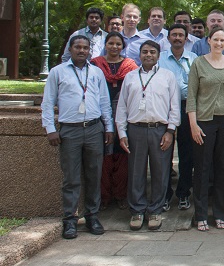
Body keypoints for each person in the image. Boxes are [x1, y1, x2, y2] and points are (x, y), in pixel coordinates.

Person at [42, 35, 114, 239]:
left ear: (90, 50)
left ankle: (92, 215)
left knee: (94, 174)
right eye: (78, 47)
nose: (82, 51)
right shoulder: (58, 72)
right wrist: (50, 129)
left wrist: (108, 127)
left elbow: (104, 102)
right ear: (70, 49)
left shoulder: (97, 72)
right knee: (71, 178)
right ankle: (70, 219)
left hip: (93, 128)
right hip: (69, 130)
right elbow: (48, 103)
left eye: (85, 48)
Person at [116, 40, 180, 231]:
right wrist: (122, 132)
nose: (148, 55)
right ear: (140, 54)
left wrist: (170, 130)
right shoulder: (130, 77)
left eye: (152, 52)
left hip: (160, 129)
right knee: (136, 171)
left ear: (159, 55)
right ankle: (137, 210)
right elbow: (122, 107)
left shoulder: (167, 77)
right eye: (145, 52)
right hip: (136, 129)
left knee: (161, 171)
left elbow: (174, 106)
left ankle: (155, 210)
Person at [187, 27, 224, 231]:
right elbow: (191, 96)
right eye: (216, 40)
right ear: (208, 40)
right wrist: (193, 124)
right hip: (203, 121)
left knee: (222, 168)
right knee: (203, 168)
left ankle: (219, 213)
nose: (219, 44)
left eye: (223, 40)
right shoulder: (198, 63)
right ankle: (201, 214)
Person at [90, 32, 138, 212]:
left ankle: (120, 195)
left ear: (123, 46)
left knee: (122, 154)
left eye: (118, 44)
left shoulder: (130, 67)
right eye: (111, 43)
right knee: (103, 156)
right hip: (99, 114)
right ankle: (103, 196)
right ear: (106, 44)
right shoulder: (95, 65)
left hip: (124, 114)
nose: (114, 47)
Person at [157, 24, 199, 210]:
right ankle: (164, 195)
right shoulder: (160, 59)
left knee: (187, 154)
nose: (177, 38)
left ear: (186, 38)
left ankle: (183, 193)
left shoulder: (194, 59)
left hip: (187, 108)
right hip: (164, 109)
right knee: (164, 153)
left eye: (180, 35)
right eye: (173, 35)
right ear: (168, 38)